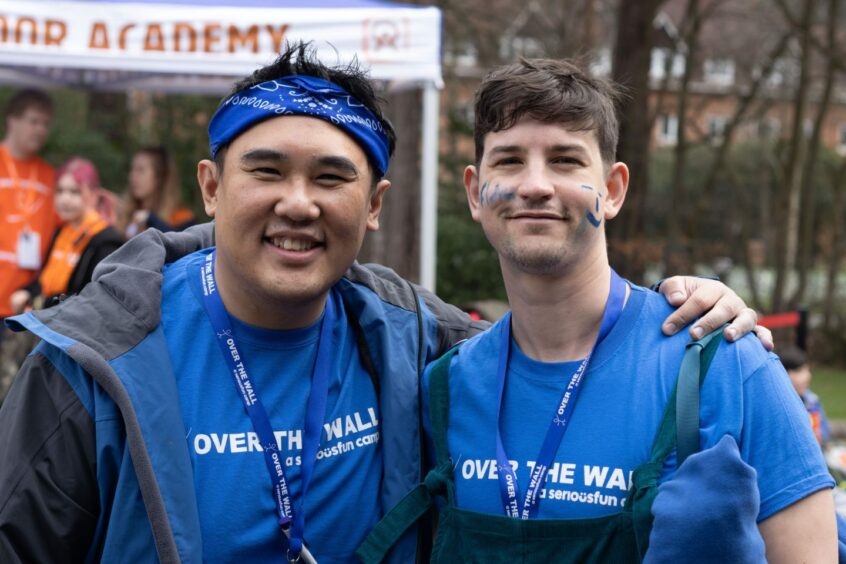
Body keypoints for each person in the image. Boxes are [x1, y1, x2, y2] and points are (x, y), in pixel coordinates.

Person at [0, 44, 764, 563]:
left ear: (374, 206)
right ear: (210, 186)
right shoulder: (90, 367)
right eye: (265, 171)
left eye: (331, 178)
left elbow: (554, 345)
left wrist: (690, 300)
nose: (298, 204)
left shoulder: (421, 347)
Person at [360, 58, 836, 563]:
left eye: (565, 160)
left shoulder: (724, 365)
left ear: (612, 190)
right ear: (476, 192)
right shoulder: (447, 387)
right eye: (510, 160)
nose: (535, 185)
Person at [9, 157, 124, 313]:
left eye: (74, 192)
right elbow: (44, 279)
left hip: (75, 330)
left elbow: (87, 297)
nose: (65, 199)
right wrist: (27, 292)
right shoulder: (61, 231)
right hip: (48, 319)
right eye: (60, 191)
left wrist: (41, 305)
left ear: (93, 195)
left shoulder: (106, 240)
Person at [0, 88, 57, 321]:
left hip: (27, 304)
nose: (41, 130)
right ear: (12, 120)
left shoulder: (50, 176)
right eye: (33, 121)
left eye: (45, 123)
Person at [117, 145, 196, 237]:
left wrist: (150, 219)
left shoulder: (182, 217)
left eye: (141, 170)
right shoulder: (125, 214)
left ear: (160, 176)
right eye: (132, 170)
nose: (133, 177)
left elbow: (181, 243)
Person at [781, 345, 832, 448]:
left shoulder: (812, 400)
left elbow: (825, 432)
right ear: (783, 374)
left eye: (807, 370)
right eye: (799, 371)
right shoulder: (781, 406)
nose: (807, 376)